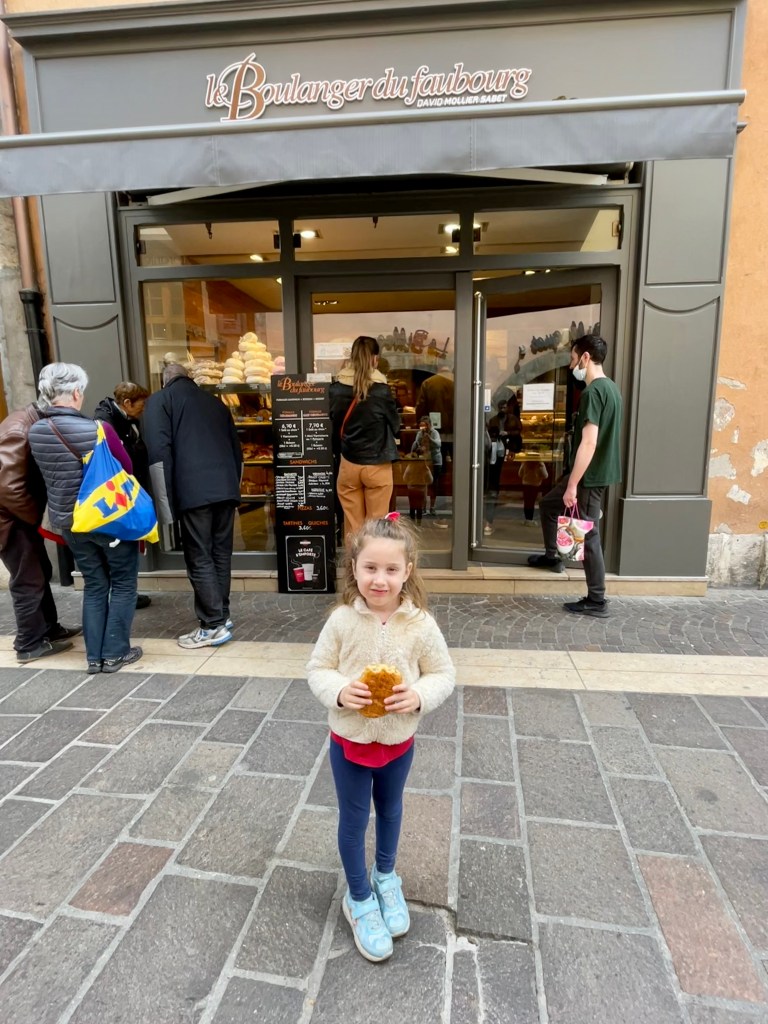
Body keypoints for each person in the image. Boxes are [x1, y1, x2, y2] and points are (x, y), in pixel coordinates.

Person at [307, 513, 455, 962]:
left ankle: (386, 875)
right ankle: (359, 897)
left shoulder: (421, 624)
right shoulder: (340, 622)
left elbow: (443, 673)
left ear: (407, 571)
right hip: (350, 740)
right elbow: (317, 668)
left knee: (390, 810)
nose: (380, 579)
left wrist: (418, 696)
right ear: (354, 567)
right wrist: (338, 690)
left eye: (391, 569)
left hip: (397, 740)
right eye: (370, 568)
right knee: (353, 820)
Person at [28, 363, 142, 673]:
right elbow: (127, 468)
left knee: (94, 585)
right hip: (106, 521)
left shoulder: (36, 431)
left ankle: (95, 657)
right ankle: (116, 653)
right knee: (122, 584)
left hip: (69, 523)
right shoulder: (97, 430)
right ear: (77, 392)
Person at [143, 363, 243, 649]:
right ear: (188, 377)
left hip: (192, 492)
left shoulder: (161, 401)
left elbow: (158, 454)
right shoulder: (216, 403)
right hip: (225, 489)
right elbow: (236, 450)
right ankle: (221, 616)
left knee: (199, 556)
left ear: (165, 381)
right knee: (221, 555)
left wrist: (165, 508)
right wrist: (233, 487)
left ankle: (212, 625)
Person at [528, 336, 623, 617]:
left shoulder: (593, 392)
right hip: (591, 474)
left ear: (584, 358)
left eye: (572, 358)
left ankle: (597, 599)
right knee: (548, 505)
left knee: (589, 534)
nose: (571, 365)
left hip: (589, 477)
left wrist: (572, 485)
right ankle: (551, 556)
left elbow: (589, 442)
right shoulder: (612, 389)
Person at [0, 397, 81, 663]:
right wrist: (36, 517)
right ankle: (28, 644)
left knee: (40, 572)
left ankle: (49, 629)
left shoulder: (30, 422)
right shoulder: (18, 429)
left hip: (17, 518)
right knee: (27, 580)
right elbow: (8, 488)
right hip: (11, 522)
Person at [330, 337, 400, 536]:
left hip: (348, 463)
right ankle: (374, 565)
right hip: (377, 464)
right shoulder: (382, 391)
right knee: (377, 526)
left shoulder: (335, 389)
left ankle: (354, 566)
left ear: (351, 358)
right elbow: (395, 426)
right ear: (375, 359)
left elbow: (333, 426)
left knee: (353, 526)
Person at [94, 382, 152, 610]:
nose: (144, 409)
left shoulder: (124, 419)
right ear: (127, 403)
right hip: (118, 493)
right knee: (120, 543)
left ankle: (127, 591)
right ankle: (122, 593)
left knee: (130, 540)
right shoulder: (106, 423)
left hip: (128, 488)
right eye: (141, 404)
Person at [415, 365, 454, 459]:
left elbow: (421, 409)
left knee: (438, 467)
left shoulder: (428, 383)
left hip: (436, 433)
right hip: (458, 432)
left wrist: (422, 428)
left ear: (437, 368)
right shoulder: (461, 381)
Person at [411, 415, 443, 518]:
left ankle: (432, 507)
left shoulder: (434, 432)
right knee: (423, 485)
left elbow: (438, 444)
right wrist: (414, 449)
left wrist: (430, 439)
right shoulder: (420, 433)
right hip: (424, 461)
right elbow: (415, 444)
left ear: (429, 425)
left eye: (425, 425)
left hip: (435, 461)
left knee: (434, 484)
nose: (423, 428)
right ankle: (423, 507)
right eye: (421, 426)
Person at [520, 459, 549, 525]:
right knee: (532, 502)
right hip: (535, 485)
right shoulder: (540, 464)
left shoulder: (525, 463)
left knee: (527, 502)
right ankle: (530, 519)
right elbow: (546, 475)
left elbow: (520, 473)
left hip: (526, 484)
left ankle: (527, 519)